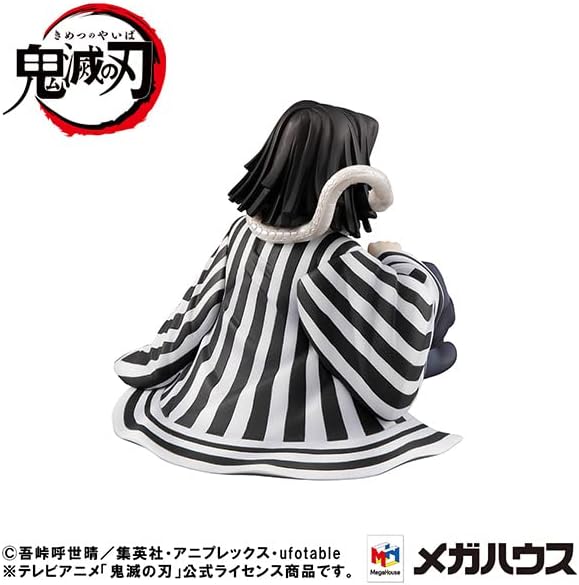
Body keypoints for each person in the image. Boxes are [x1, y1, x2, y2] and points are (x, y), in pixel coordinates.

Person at [113, 100, 459, 479]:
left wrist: (156, 362)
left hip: (210, 401)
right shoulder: (337, 255)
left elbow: (199, 307)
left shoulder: (241, 232)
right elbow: (407, 307)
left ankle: (430, 358)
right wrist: (394, 256)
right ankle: (431, 359)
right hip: (307, 418)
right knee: (428, 284)